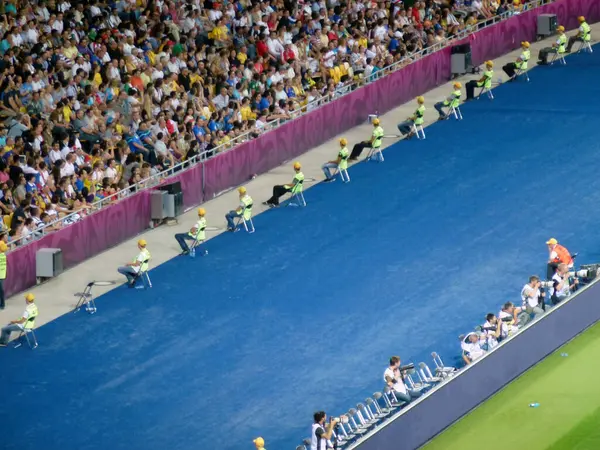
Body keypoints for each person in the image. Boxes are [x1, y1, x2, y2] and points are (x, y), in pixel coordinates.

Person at [0, 241, 7, 310]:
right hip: (2, 275)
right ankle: (2, 304)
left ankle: (2, 304)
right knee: (1, 290)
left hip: (1, 275)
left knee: (1, 290)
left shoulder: (3, 255)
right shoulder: (3, 255)